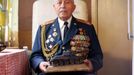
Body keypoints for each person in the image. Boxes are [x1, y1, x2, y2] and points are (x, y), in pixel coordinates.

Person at [30, 0, 103, 75]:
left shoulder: (87, 28)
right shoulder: (43, 29)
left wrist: (91, 64)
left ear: (74, 7)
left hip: (80, 72)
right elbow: (35, 55)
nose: (63, 6)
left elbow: (97, 55)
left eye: (67, 2)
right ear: (54, 7)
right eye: (59, 2)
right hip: (51, 72)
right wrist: (40, 63)